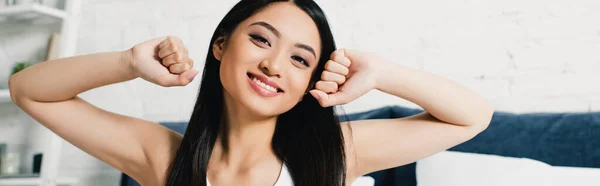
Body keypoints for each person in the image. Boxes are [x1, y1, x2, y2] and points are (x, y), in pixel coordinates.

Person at [8, 0, 494, 186]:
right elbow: (29, 90)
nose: (273, 64)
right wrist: (127, 63)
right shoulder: (164, 157)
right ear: (221, 45)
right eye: (261, 39)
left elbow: (471, 117)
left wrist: (383, 72)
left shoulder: (335, 152)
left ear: (309, 82)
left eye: (300, 59)